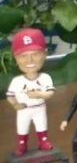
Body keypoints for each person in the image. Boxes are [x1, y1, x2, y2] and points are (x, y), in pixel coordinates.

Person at [6, 28, 54, 156]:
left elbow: (50, 93)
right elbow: (10, 96)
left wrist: (40, 94)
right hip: (24, 109)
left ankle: (43, 142)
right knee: (22, 127)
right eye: (23, 56)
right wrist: (15, 104)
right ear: (15, 58)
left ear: (45, 54)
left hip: (39, 107)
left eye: (35, 54)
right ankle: (22, 145)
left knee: (41, 125)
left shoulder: (45, 78)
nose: (30, 60)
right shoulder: (17, 81)